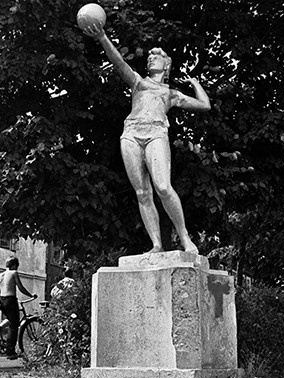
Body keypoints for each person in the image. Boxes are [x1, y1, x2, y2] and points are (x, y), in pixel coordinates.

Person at [81, 20, 211, 254]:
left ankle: (185, 238)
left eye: (157, 57)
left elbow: (204, 105)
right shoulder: (138, 82)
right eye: (150, 57)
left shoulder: (171, 93)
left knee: (162, 186)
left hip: (156, 132)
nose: (151, 58)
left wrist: (196, 83)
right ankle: (156, 245)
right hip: (131, 132)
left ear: (167, 65)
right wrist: (102, 37)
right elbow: (118, 62)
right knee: (142, 192)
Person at [0, 256, 36, 360]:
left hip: (2, 300)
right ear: (14, 265)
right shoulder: (14, 273)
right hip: (11, 300)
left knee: (9, 320)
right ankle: (10, 351)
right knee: (14, 326)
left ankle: (0, 327)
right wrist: (31, 295)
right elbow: (21, 287)